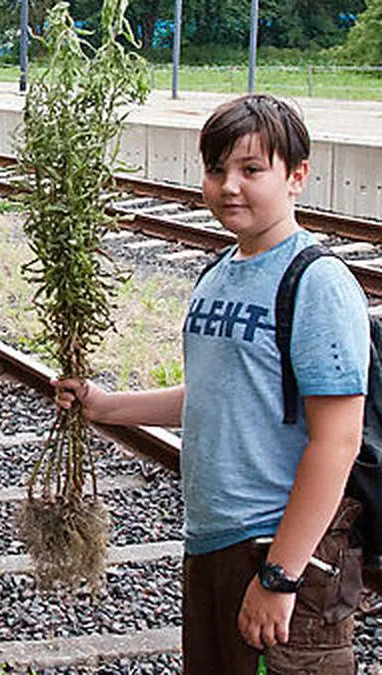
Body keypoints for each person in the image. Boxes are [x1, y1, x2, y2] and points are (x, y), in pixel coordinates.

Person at [55, 94, 368, 673]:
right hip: (211, 541)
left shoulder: (316, 282)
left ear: (297, 176)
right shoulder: (217, 274)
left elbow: (337, 441)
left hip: (280, 548)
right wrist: (104, 406)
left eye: (252, 170)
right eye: (217, 169)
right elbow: (215, 397)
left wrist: (279, 575)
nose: (230, 186)